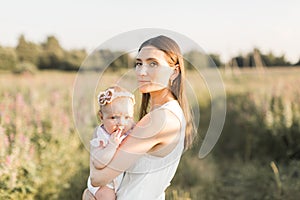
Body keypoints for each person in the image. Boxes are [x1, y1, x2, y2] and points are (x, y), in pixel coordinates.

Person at [83, 35, 195, 200]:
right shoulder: (171, 112)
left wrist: (96, 152)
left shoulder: (160, 119)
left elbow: (98, 178)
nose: (142, 72)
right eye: (139, 63)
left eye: (153, 64)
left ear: (174, 71)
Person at [86, 86, 135, 200]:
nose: (121, 123)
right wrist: (112, 145)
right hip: (104, 186)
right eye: (114, 117)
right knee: (108, 197)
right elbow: (98, 163)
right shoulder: (102, 137)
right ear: (101, 117)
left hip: (117, 182)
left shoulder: (130, 130)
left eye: (127, 117)